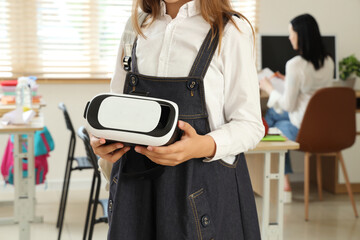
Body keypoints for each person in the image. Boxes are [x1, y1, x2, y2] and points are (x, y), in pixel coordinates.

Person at [90, 0, 264, 239]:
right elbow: (118, 107)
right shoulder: (135, 28)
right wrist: (105, 140)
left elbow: (250, 125)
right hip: (136, 194)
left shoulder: (231, 30)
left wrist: (201, 146)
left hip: (202, 196)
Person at [259, 13, 334, 202]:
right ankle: (282, 181)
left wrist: (268, 87)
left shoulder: (295, 65)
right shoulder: (328, 61)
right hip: (324, 129)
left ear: (301, 35)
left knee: (272, 125)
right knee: (273, 117)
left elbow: (288, 105)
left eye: (291, 33)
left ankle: (283, 184)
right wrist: (288, 82)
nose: (289, 37)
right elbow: (311, 92)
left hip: (303, 128)